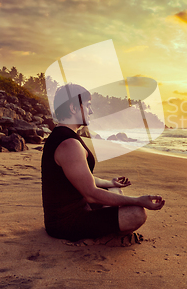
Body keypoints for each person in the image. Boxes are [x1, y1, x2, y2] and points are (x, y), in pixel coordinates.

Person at [41, 83, 165, 242]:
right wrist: (138, 200)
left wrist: (109, 182)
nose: (91, 111)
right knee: (137, 213)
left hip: (80, 205)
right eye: (88, 106)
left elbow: (83, 178)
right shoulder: (69, 144)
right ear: (73, 108)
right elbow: (91, 194)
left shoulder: (66, 136)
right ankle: (111, 235)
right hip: (65, 222)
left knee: (113, 188)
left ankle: (110, 221)